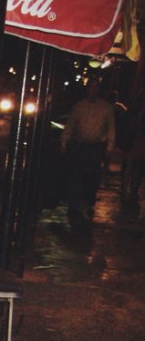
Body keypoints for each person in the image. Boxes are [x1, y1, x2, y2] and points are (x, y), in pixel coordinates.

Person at [61, 78, 115, 233]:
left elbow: (110, 128)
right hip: (80, 145)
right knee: (76, 175)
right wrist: (64, 142)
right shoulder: (79, 107)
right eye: (90, 88)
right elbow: (70, 125)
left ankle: (88, 201)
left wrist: (109, 147)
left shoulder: (106, 108)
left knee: (92, 176)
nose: (93, 90)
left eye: (96, 88)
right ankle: (74, 205)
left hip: (96, 147)